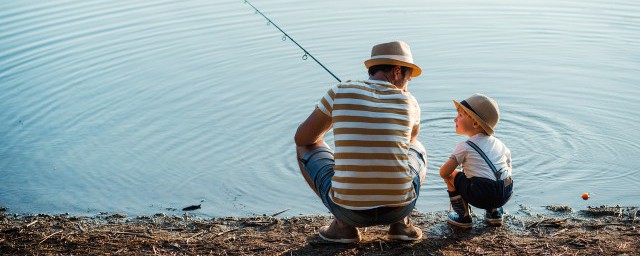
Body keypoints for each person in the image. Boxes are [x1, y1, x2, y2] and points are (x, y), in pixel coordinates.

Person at [294, 41, 427, 243]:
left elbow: (302, 138)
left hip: (349, 211)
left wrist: (337, 118)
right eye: (408, 78)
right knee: (418, 149)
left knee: (305, 146)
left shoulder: (339, 91)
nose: (407, 86)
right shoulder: (410, 102)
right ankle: (401, 224)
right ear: (397, 72)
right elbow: (409, 141)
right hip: (398, 208)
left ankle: (343, 226)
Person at [439, 94, 513, 228]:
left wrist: (461, 175)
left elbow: (444, 172)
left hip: (482, 194)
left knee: (453, 175)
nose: (455, 119)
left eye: (460, 116)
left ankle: (463, 217)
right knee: (494, 175)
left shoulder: (464, 147)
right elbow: (508, 167)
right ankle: (494, 213)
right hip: (505, 191)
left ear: (475, 123)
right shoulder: (500, 144)